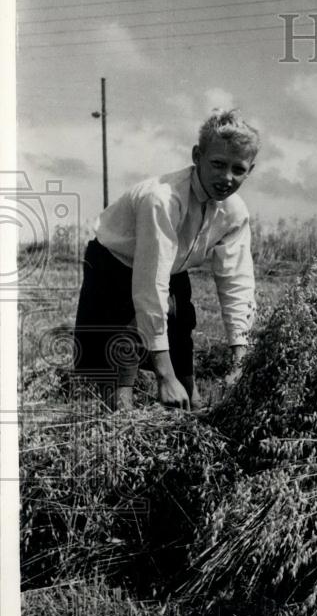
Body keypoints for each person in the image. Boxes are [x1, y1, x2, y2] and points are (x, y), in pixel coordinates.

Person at [72, 109, 258, 409]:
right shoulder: (162, 199)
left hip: (172, 267)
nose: (227, 178)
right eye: (218, 164)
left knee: (181, 325)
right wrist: (163, 376)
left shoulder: (235, 212)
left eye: (238, 169)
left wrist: (240, 358)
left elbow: (237, 283)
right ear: (197, 156)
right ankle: (121, 411)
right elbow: (149, 286)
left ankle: (187, 401)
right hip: (113, 260)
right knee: (118, 350)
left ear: (250, 170)